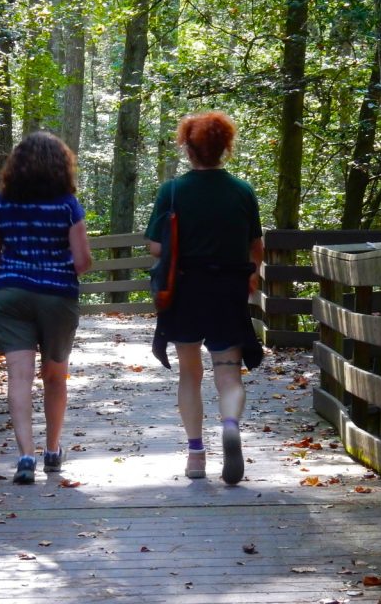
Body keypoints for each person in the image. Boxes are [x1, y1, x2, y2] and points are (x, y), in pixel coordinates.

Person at [144, 111, 264, 485]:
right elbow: (255, 247)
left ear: (188, 147)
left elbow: (154, 246)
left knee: (189, 372)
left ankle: (196, 454)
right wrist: (251, 274)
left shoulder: (173, 191)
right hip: (228, 290)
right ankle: (229, 424)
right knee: (228, 371)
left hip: (185, 289)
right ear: (225, 147)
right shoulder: (242, 191)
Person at [0, 131, 93, 485]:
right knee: (55, 375)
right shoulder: (66, 205)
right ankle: (52, 451)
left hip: (12, 293)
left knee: (19, 377)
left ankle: (25, 456)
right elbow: (83, 260)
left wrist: (19, 264)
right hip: (57, 295)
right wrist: (54, 265)